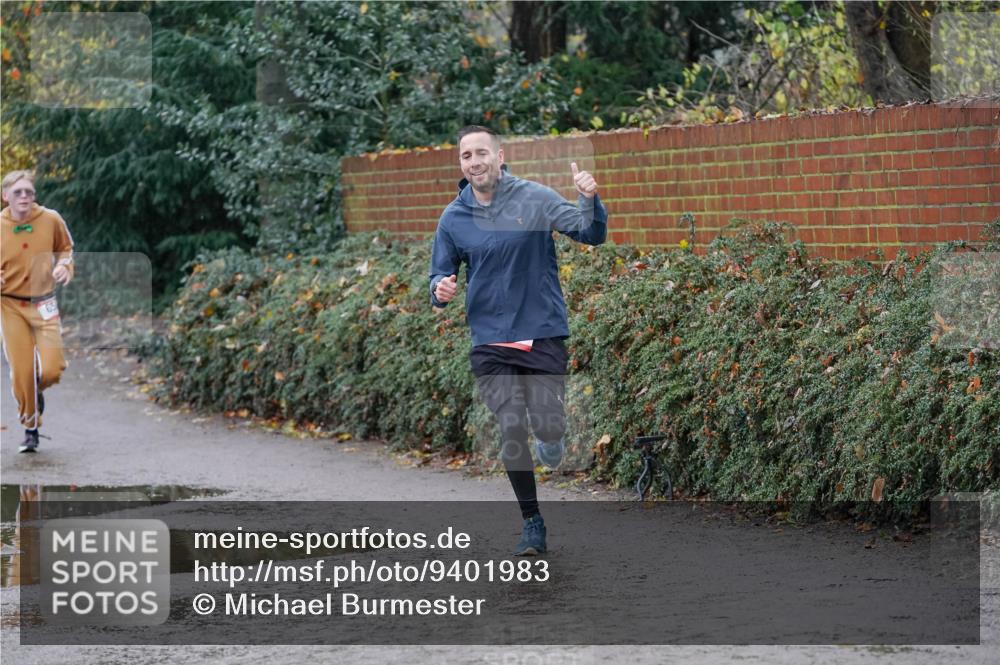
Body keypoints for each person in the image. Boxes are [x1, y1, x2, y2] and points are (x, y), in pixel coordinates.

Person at [429, 126, 607, 555]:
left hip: (540, 329)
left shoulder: (535, 197)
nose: (475, 162)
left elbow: (590, 233)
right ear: (461, 163)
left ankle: (551, 435)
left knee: (547, 424)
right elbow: (439, 273)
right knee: (510, 425)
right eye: (466, 156)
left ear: (500, 155)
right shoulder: (453, 217)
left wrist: (588, 198)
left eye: (481, 153)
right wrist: (439, 288)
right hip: (490, 340)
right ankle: (532, 522)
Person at [1, 170, 74, 453]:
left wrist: (64, 265)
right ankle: (31, 427)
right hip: (10, 304)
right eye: (17, 192)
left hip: (44, 302)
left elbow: (66, 248)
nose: (24, 197)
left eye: (29, 192)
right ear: (5, 196)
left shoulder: (51, 219)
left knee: (52, 369)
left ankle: (37, 389)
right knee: (22, 371)